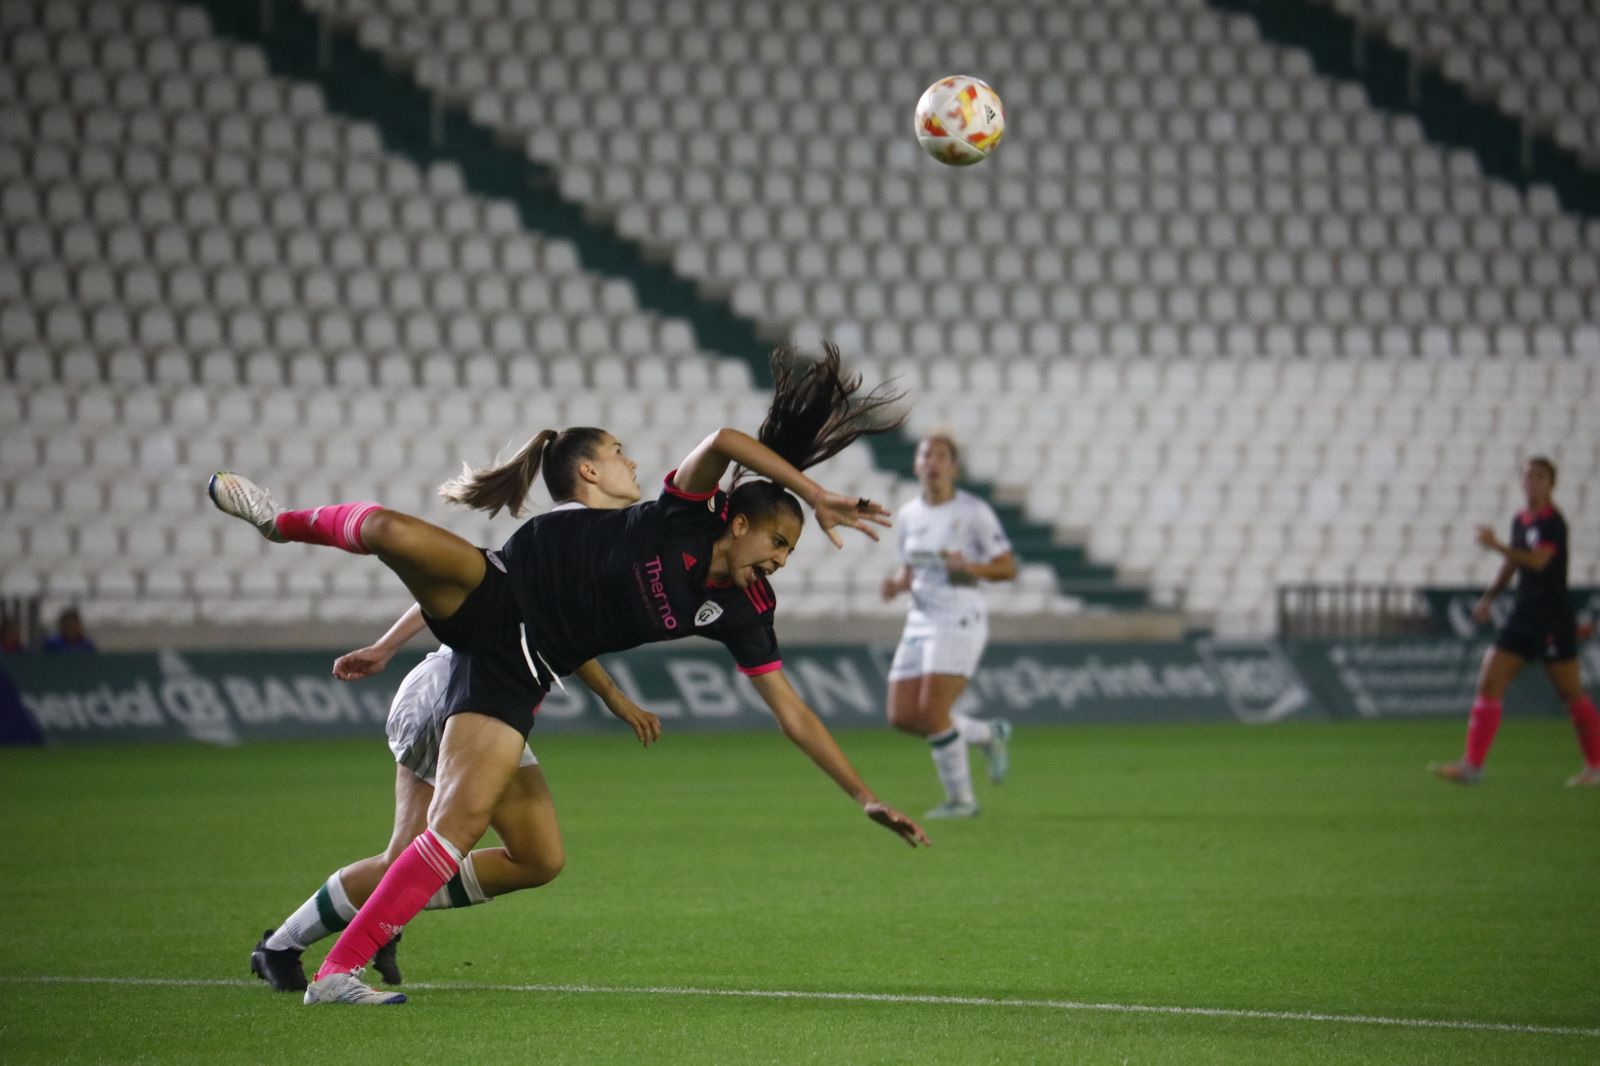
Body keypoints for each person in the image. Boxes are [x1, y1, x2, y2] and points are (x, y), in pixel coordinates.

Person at [209, 345, 932, 1006]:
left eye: (790, 553)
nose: (780, 560)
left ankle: (338, 968)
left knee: (466, 833)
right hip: (490, 596)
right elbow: (722, 440)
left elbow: (793, 713)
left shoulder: (741, 608)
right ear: (736, 524)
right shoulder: (678, 515)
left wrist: (864, 796)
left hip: (517, 664)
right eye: (778, 541)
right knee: (388, 530)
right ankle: (279, 523)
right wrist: (816, 493)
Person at [250, 438, 661, 992]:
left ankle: (366, 918)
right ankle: (285, 947)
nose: (631, 461)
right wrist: (386, 646)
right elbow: (465, 590)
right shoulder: (562, 534)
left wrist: (614, 697)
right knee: (409, 856)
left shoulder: (581, 544)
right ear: (588, 470)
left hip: (494, 701)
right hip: (453, 692)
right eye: (616, 450)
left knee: (537, 858)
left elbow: (544, 622)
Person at [1430, 456, 1600, 787]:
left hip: (1552, 618)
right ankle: (1472, 766)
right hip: (1523, 615)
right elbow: (1513, 564)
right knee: (1489, 682)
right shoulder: (1521, 520)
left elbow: (1537, 562)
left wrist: (1496, 545)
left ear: (1551, 484)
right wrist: (1489, 597)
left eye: (1539, 477)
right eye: (1527, 476)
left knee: (1571, 694)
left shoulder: (1553, 523)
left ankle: (1595, 767)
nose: (1532, 482)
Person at [880, 433, 1017, 818]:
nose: (933, 462)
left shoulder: (973, 512)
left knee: (933, 711)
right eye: (926, 455)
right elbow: (910, 568)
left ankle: (962, 800)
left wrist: (970, 567)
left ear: (954, 468)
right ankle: (987, 733)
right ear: (916, 465)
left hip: (958, 617)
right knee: (903, 716)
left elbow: (1007, 568)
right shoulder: (909, 514)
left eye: (942, 456)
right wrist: (897, 584)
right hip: (920, 618)